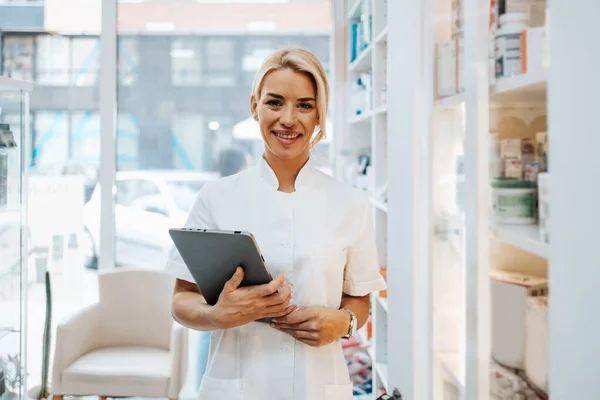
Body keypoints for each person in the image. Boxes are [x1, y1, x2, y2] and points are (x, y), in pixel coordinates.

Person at [165, 47, 386, 400]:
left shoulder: (352, 204)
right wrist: (218, 315)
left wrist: (342, 323)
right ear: (255, 106)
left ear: (319, 115)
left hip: (319, 386)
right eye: (274, 102)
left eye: (304, 105)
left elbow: (360, 299)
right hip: (237, 386)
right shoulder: (216, 197)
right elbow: (181, 301)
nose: (288, 118)